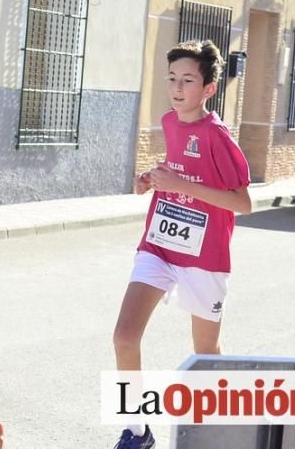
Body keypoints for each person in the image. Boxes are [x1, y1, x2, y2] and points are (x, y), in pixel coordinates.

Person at [111, 40, 251, 449]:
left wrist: (182, 185)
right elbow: (178, 169)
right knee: (124, 336)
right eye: (172, 79)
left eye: (188, 80)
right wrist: (152, 177)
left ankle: (219, 427)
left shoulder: (217, 134)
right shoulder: (170, 121)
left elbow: (242, 202)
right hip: (160, 244)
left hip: (204, 257)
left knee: (205, 350)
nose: (177, 88)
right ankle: (137, 431)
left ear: (208, 89)